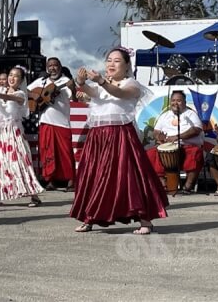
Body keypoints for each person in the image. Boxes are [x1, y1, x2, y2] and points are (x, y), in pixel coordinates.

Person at [70, 48, 168, 235]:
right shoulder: (101, 86)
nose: (111, 64)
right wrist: (82, 82)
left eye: (116, 61)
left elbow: (120, 94)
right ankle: (88, 217)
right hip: (97, 137)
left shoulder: (132, 84)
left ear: (126, 65)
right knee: (93, 175)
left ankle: (145, 220)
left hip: (121, 135)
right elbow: (91, 92)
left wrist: (100, 81)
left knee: (131, 176)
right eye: (109, 60)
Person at [0, 66, 44, 207]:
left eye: (16, 76)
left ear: (21, 80)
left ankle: (33, 195)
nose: (12, 78)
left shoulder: (21, 94)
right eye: (10, 75)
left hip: (13, 132)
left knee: (19, 163)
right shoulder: (0, 90)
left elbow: (9, 98)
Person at [28, 58, 77, 190]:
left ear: (60, 67)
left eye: (55, 65)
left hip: (62, 122)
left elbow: (74, 98)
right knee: (47, 152)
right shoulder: (42, 81)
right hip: (46, 121)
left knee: (65, 152)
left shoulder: (66, 81)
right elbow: (25, 90)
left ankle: (71, 180)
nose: (52, 68)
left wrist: (73, 88)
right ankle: (50, 180)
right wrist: (34, 95)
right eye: (50, 66)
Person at [146, 90, 205, 194]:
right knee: (150, 153)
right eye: (173, 100)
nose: (175, 103)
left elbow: (197, 129)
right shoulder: (165, 115)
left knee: (196, 153)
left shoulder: (190, 114)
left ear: (184, 102)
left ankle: (188, 185)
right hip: (167, 147)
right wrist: (159, 138)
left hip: (186, 145)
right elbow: (156, 131)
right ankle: (163, 183)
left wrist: (177, 137)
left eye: (179, 100)